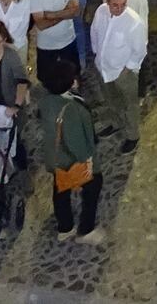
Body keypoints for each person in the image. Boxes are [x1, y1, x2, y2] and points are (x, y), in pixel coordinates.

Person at [37, 58, 103, 243]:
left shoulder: (46, 102)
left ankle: (65, 227)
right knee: (93, 186)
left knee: (60, 188)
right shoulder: (72, 109)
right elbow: (77, 144)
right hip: (70, 160)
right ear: (71, 82)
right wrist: (90, 163)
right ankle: (86, 229)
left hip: (54, 157)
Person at [90, 0, 147, 154]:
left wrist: (127, 68)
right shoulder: (100, 11)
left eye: (123, 4)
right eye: (115, 5)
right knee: (110, 98)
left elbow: (140, 49)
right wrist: (96, 54)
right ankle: (115, 123)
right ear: (108, 1)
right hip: (103, 67)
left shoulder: (133, 22)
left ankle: (132, 135)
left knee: (130, 105)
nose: (119, 9)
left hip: (123, 72)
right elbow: (94, 32)